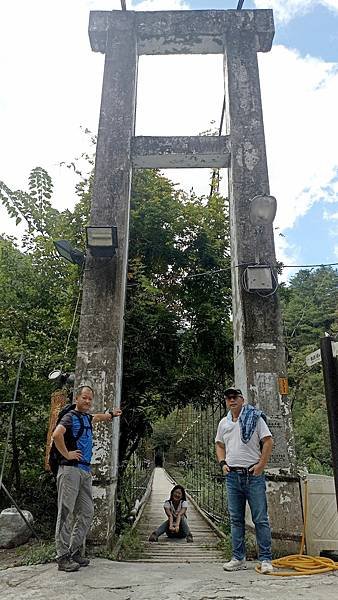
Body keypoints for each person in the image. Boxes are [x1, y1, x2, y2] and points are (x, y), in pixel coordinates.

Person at [52, 385, 122, 572]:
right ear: (77, 398)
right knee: (66, 512)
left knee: (87, 511)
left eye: (90, 399)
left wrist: (112, 414)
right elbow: (56, 434)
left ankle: (74, 551)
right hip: (70, 470)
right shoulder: (69, 417)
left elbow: (99, 417)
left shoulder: (86, 417)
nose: (88, 401)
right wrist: (66, 454)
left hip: (84, 470)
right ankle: (62, 556)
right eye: (84, 398)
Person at [215, 387, 274, 574]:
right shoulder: (223, 423)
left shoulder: (254, 418)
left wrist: (261, 466)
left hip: (253, 475)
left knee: (260, 519)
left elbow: (268, 441)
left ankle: (265, 559)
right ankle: (238, 558)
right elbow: (219, 444)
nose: (231, 400)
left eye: (235, 397)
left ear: (242, 399)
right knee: (236, 519)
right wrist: (222, 463)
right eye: (228, 398)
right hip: (232, 476)